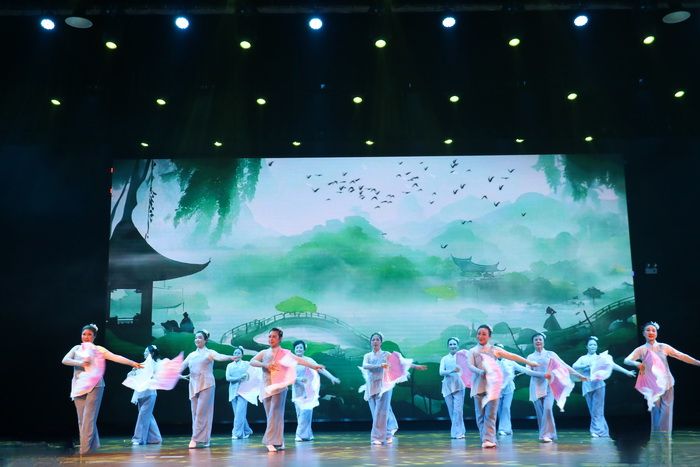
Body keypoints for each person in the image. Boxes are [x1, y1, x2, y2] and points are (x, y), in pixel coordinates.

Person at [62, 323, 142, 455]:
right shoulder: (76, 348)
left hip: (95, 386)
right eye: (84, 334)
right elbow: (65, 360)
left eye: (89, 334)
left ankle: (84, 449)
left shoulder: (98, 349)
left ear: (94, 337)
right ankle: (93, 445)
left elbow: (115, 357)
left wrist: (133, 363)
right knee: (82, 419)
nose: (86, 337)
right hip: (78, 386)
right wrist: (80, 363)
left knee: (89, 418)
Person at [249, 328, 325, 452]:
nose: (271, 339)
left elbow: (300, 360)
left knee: (276, 414)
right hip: (266, 387)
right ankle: (278, 441)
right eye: (269, 336)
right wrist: (265, 365)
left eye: (274, 336)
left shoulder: (285, 353)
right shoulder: (264, 352)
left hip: (280, 388)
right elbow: (252, 361)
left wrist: (314, 366)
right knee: (271, 415)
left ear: (280, 339)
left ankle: (270, 441)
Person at [466, 325, 539, 448]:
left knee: (491, 415)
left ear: (489, 336)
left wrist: (529, 362)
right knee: (480, 415)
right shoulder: (472, 351)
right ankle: (485, 438)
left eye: (484, 334)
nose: (481, 336)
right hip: (478, 387)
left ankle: (488, 439)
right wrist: (480, 371)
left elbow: (512, 356)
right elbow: (470, 366)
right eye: (479, 333)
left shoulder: (494, 349)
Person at [624, 322, 700, 433]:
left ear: (656, 333)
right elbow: (626, 360)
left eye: (653, 330)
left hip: (667, 382)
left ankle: (665, 435)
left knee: (667, 412)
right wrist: (635, 363)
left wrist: (697, 362)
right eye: (648, 330)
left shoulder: (663, 347)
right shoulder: (641, 349)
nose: (651, 332)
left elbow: (681, 355)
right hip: (652, 385)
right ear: (643, 333)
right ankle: (656, 436)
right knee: (655, 411)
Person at [361, 332, 427, 446]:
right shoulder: (367, 356)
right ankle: (387, 434)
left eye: (377, 339)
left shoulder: (386, 354)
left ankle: (377, 437)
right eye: (373, 339)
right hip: (371, 385)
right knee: (376, 412)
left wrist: (415, 366)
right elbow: (365, 366)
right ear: (370, 342)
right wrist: (380, 366)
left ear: (381, 342)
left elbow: (401, 362)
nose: (375, 341)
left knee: (381, 412)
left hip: (384, 385)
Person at [180, 329, 236, 449]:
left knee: (202, 412)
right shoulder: (191, 355)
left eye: (200, 337)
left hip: (207, 384)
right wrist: (177, 374)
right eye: (196, 337)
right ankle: (205, 438)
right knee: (195, 413)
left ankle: (195, 439)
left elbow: (220, 357)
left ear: (205, 340)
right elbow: (181, 366)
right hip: (193, 385)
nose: (197, 339)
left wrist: (230, 357)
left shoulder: (209, 353)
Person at [526, 332, 586, 443]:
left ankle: (546, 434)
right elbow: (528, 371)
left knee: (548, 409)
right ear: (533, 343)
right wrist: (543, 374)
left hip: (549, 386)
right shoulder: (530, 357)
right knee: (540, 413)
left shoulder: (550, 354)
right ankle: (547, 434)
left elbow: (563, 365)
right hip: (536, 387)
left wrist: (578, 375)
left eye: (540, 339)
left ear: (543, 342)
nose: (538, 341)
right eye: (536, 340)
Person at [572, 336, 636, 438]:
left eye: (595, 345)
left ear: (597, 346)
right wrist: (586, 366)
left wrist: (627, 372)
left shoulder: (601, 358)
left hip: (599, 386)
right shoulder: (583, 358)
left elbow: (613, 365)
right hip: (587, 387)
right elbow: (574, 366)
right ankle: (602, 430)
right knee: (593, 410)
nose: (593, 346)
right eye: (591, 345)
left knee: (597, 409)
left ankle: (596, 431)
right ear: (586, 346)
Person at [292, 340, 341, 441]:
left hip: (309, 389)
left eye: (301, 347)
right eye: (297, 348)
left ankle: (299, 435)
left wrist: (331, 377)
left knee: (306, 411)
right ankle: (307, 434)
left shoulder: (308, 360)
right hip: (297, 390)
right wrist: (299, 379)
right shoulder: (291, 361)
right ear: (294, 349)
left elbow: (320, 369)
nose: (299, 349)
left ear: (304, 349)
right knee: (300, 413)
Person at [494, 343, 533, 437]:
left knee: (506, 408)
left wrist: (534, 369)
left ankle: (503, 429)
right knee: (499, 409)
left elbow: (523, 369)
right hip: (496, 390)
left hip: (508, 389)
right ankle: (507, 429)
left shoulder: (510, 361)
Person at [129, 345, 163, 445]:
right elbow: (130, 376)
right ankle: (156, 438)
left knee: (142, 416)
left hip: (150, 394)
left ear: (152, 353)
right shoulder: (141, 365)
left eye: (146, 351)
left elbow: (164, 375)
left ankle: (139, 439)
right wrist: (133, 372)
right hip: (140, 394)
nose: (144, 353)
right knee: (148, 417)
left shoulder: (156, 365)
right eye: (144, 351)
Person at [439, 337, 466, 439]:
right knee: (451, 411)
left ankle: (457, 433)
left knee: (458, 411)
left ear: (458, 346)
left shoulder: (462, 358)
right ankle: (460, 431)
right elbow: (441, 372)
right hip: (447, 386)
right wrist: (452, 371)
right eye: (450, 344)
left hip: (459, 385)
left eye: (454, 344)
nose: (452, 346)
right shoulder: (444, 358)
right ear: (448, 346)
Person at [225, 346, 253, 439]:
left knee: (239, 413)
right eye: (235, 353)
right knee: (238, 413)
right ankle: (247, 430)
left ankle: (237, 433)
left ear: (242, 355)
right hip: (233, 391)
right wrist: (239, 378)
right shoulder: (230, 365)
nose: (236, 355)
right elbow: (228, 378)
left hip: (243, 391)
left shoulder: (246, 364)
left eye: (238, 353)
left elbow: (253, 372)